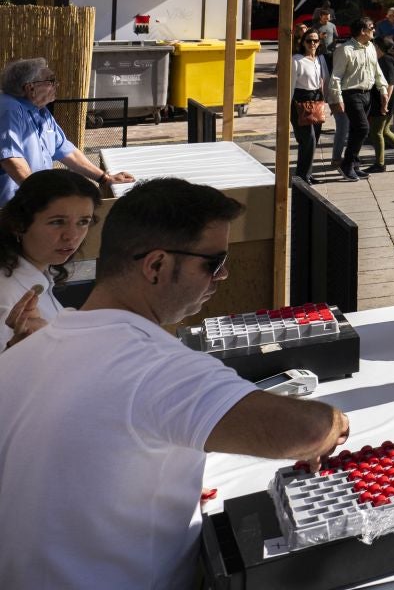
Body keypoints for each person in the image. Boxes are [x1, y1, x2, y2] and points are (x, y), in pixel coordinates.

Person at [0, 178, 348, 590]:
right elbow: (307, 431)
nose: (223, 276)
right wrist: (336, 422)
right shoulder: (157, 366)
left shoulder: (22, 353)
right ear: (156, 266)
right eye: (214, 263)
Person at [0, 57, 134, 204]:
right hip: (11, 206)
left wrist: (105, 178)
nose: (56, 84)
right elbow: (11, 159)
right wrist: (38, 197)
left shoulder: (41, 111)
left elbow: (67, 152)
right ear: (30, 88)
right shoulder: (9, 109)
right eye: (51, 81)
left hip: (32, 201)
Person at [0, 170, 101, 348]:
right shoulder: (7, 296)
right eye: (57, 222)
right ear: (20, 224)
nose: (72, 236)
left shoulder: (40, 273)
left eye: (83, 222)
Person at [324, 16, 389, 181]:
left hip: (367, 94)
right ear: (362, 31)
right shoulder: (345, 50)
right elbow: (336, 77)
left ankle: (354, 165)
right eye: (371, 27)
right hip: (351, 94)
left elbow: (376, 70)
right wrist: (337, 99)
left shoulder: (371, 47)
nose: (374, 30)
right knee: (362, 129)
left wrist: (383, 90)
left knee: (355, 130)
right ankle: (346, 165)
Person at [289, 29, 329, 183]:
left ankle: (305, 174)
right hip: (300, 102)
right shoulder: (297, 60)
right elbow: (290, 86)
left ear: (319, 43)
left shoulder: (319, 59)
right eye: (309, 40)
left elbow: (324, 81)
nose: (312, 43)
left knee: (313, 140)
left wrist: (327, 100)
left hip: (317, 101)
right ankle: (303, 176)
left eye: (315, 40)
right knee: (308, 139)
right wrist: (288, 108)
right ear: (303, 42)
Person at [368, 35, 394, 172]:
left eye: (373, 45)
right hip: (392, 100)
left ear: (377, 47)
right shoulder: (392, 59)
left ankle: (379, 164)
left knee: (376, 132)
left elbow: (389, 84)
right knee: (385, 130)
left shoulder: (385, 60)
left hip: (387, 100)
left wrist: (384, 103)